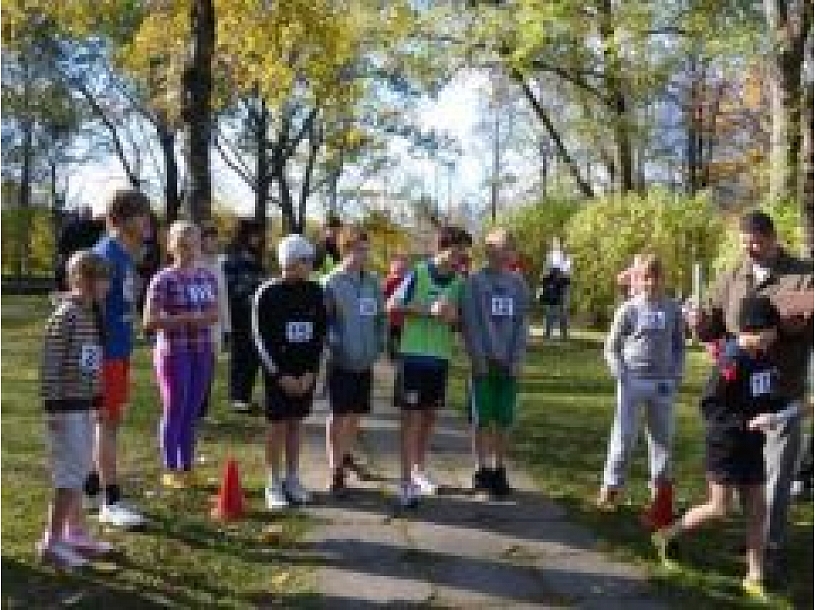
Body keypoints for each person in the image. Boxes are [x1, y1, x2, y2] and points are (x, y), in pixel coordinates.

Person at [685, 210, 813, 582]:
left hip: (782, 393)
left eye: (756, 242)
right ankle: (753, 542)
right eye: (745, 243)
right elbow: (713, 327)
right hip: (740, 403)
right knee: (748, 479)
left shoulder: (804, 275)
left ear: (773, 238)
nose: (750, 250)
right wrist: (699, 323)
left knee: (776, 476)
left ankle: (770, 549)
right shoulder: (732, 277)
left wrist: (789, 328)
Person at [653, 295, 788, 601]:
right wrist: (744, 423)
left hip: (753, 446)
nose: (775, 336)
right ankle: (667, 533)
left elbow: (768, 396)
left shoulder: (764, 360)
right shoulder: (731, 361)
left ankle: (755, 576)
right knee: (719, 508)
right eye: (772, 330)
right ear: (755, 328)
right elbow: (710, 405)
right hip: (725, 446)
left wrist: (782, 409)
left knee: (758, 510)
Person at [597, 254, 685, 533]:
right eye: (645, 277)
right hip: (632, 382)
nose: (651, 283)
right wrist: (621, 374)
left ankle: (660, 498)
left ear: (663, 279)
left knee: (662, 441)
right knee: (624, 438)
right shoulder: (628, 309)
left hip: (663, 385)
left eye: (655, 277)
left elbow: (679, 346)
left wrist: (676, 375)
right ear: (637, 279)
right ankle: (611, 489)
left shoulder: (673, 309)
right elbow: (611, 347)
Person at [387, 225, 472, 508]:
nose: (461, 256)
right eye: (456, 250)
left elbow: (461, 321)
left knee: (429, 417)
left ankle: (418, 471)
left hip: (440, 357)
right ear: (442, 248)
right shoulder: (418, 273)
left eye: (464, 251)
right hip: (413, 357)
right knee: (410, 420)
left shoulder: (459, 281)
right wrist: (428, 310)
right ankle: (404, 483)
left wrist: (453, 318)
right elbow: (392, 305)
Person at [39, 250, 114, 568]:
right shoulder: (66, 315)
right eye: (102, 279)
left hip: (83, 406)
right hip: (65, 408)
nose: (107, 286)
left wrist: (98, 400)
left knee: (81, 469)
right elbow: (51, 363)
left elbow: (93, 362)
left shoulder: (91, 314)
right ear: (81, 280)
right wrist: (53, 407)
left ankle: (75, 533)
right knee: (68, 474)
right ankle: (52, 542)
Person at [85, 189, 151, 529]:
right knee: (106, 423)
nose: (148, 221)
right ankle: (110, 502)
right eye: (141, 215)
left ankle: (90, 489)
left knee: (108, 421)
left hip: (119, 351)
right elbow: (89, 309)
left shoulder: (124, 256)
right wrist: (95, 360)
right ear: (122, 220)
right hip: (105, 354)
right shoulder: (105, 256)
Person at [252, 234, 327, 510]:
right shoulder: (267, 292)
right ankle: (273, 482)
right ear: (291, 262)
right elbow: (260, 338)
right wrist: (279, 375)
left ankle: (292, 478)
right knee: (277, 425)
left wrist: (311, 372)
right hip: (278, 374)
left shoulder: (315, 291)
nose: (311, 265)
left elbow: (320, 334)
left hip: (304, 372)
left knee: (297, 423)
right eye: (306, 260)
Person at [143, 222, 219, 488]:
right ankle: (170, 468)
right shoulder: (163, 279)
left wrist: (203, 318)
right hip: (174, 352)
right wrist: (183, 319)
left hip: (202, 350)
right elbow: (149, 321)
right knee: (175, 407)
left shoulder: (206, 277)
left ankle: (187, 466)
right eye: (183, 244)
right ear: (171, 246)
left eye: (193, 244)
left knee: (193, 410)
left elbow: (214, 313)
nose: (189, 249)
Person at [460, 228, 529, 498]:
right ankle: (482, 470)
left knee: (504, 420)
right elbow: (471, 324)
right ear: (489, 250)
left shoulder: (518, 284)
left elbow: (522, 323)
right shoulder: (474, 283)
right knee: (482, 419)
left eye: (510, 247)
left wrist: (517, 358)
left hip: (509, 364)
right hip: (484, 363)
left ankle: (499, 470)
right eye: (501, 247)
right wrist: (478, 358)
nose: (506, 252)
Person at [323, 226, 386, 496]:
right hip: (341, 361)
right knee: (339, 415)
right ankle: (335, 470)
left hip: (365, 361)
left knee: (356, 414)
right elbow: (324, 322)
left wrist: (379, 344)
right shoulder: (331, 282)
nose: (364, 255)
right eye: (359, 250)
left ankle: (345, 454)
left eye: (366, 249)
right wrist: (334, 347)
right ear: (345, 249)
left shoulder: (372, 282)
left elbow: (380, 316)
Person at [222, 219, 267, 414]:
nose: (259, 238)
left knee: (253, 355)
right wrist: (251, 292)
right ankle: (238, 398)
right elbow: (230, 288)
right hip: (239, 313)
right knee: (241, 355)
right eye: (255, 234)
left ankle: (245, 397)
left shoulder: (256, 257)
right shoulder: (232, 258)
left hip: (256, 313)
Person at [197, 221, 231, 419]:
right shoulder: (196, 263)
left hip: (215, 324)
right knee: (198, 368)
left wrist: (227, 327)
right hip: (198, 324)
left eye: (214, 238)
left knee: (209, 368)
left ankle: (203, 410)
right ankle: (194, 409)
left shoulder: (218, 264)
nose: (213, 242)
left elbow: (223, 296)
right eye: (209, 238)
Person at [55, 207, 105, 292]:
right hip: (79, 260)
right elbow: (62, 246)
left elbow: (62, 247)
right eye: (86, 214)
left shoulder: (95, 228)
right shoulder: (72, 228)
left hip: (85, 261)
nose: (87, 216)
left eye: (88, 214)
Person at [383, 254, 409, 362]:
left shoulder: (408, 281)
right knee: (390, 338)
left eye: (403, 267)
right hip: (391, 317)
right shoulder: (389, 281)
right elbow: (383, 297)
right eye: (399, 266)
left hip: (402, 318)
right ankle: (392, 356)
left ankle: (398, 357)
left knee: (400, 339)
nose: (401, 269)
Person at [538, 266, 569, 339]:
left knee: (559, 319)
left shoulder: (561, 280)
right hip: (553, 302)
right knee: (551, 318)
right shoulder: (548, 279)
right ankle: (550, 334)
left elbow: (566, 288)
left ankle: (562, 334)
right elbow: (542, 288)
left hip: (557, 302)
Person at [312, 215, 342, 280]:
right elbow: (313, 271)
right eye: (332, 230)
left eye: (338, 231)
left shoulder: (342, 248)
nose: (335, 234)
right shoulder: (320, 248)